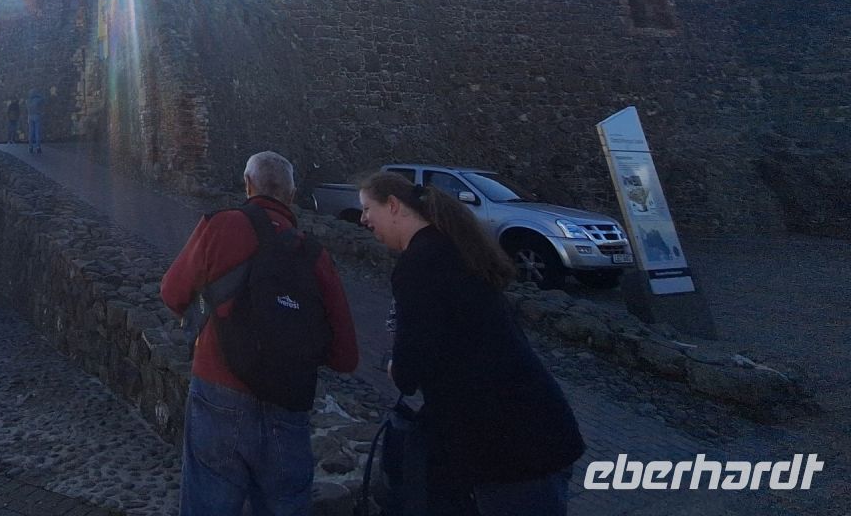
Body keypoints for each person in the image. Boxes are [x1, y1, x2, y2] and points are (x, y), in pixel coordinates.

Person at [358, 172, 584, 516]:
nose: (363, 219)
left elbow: (410, 369)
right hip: (533, 431)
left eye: (366, 208)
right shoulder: (451, 248)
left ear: (392, 205)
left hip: (510, 447)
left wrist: (394, 366)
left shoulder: (419, 264)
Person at [162, 151, 359, 516]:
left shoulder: (221, 225)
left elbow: (172, 293)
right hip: (288, 401)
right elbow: (346, 356)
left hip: (218, 388)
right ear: (292, 195)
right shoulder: (314, 254)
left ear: (247, 185)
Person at [27, 89, 44, 154]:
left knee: (31, 132)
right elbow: (43, 99)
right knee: (37, 132)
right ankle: (38, 147)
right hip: (37, 115)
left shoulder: (27, 101)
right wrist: (38, 94)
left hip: (30, 116)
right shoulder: (37, 100)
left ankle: (30, 147)